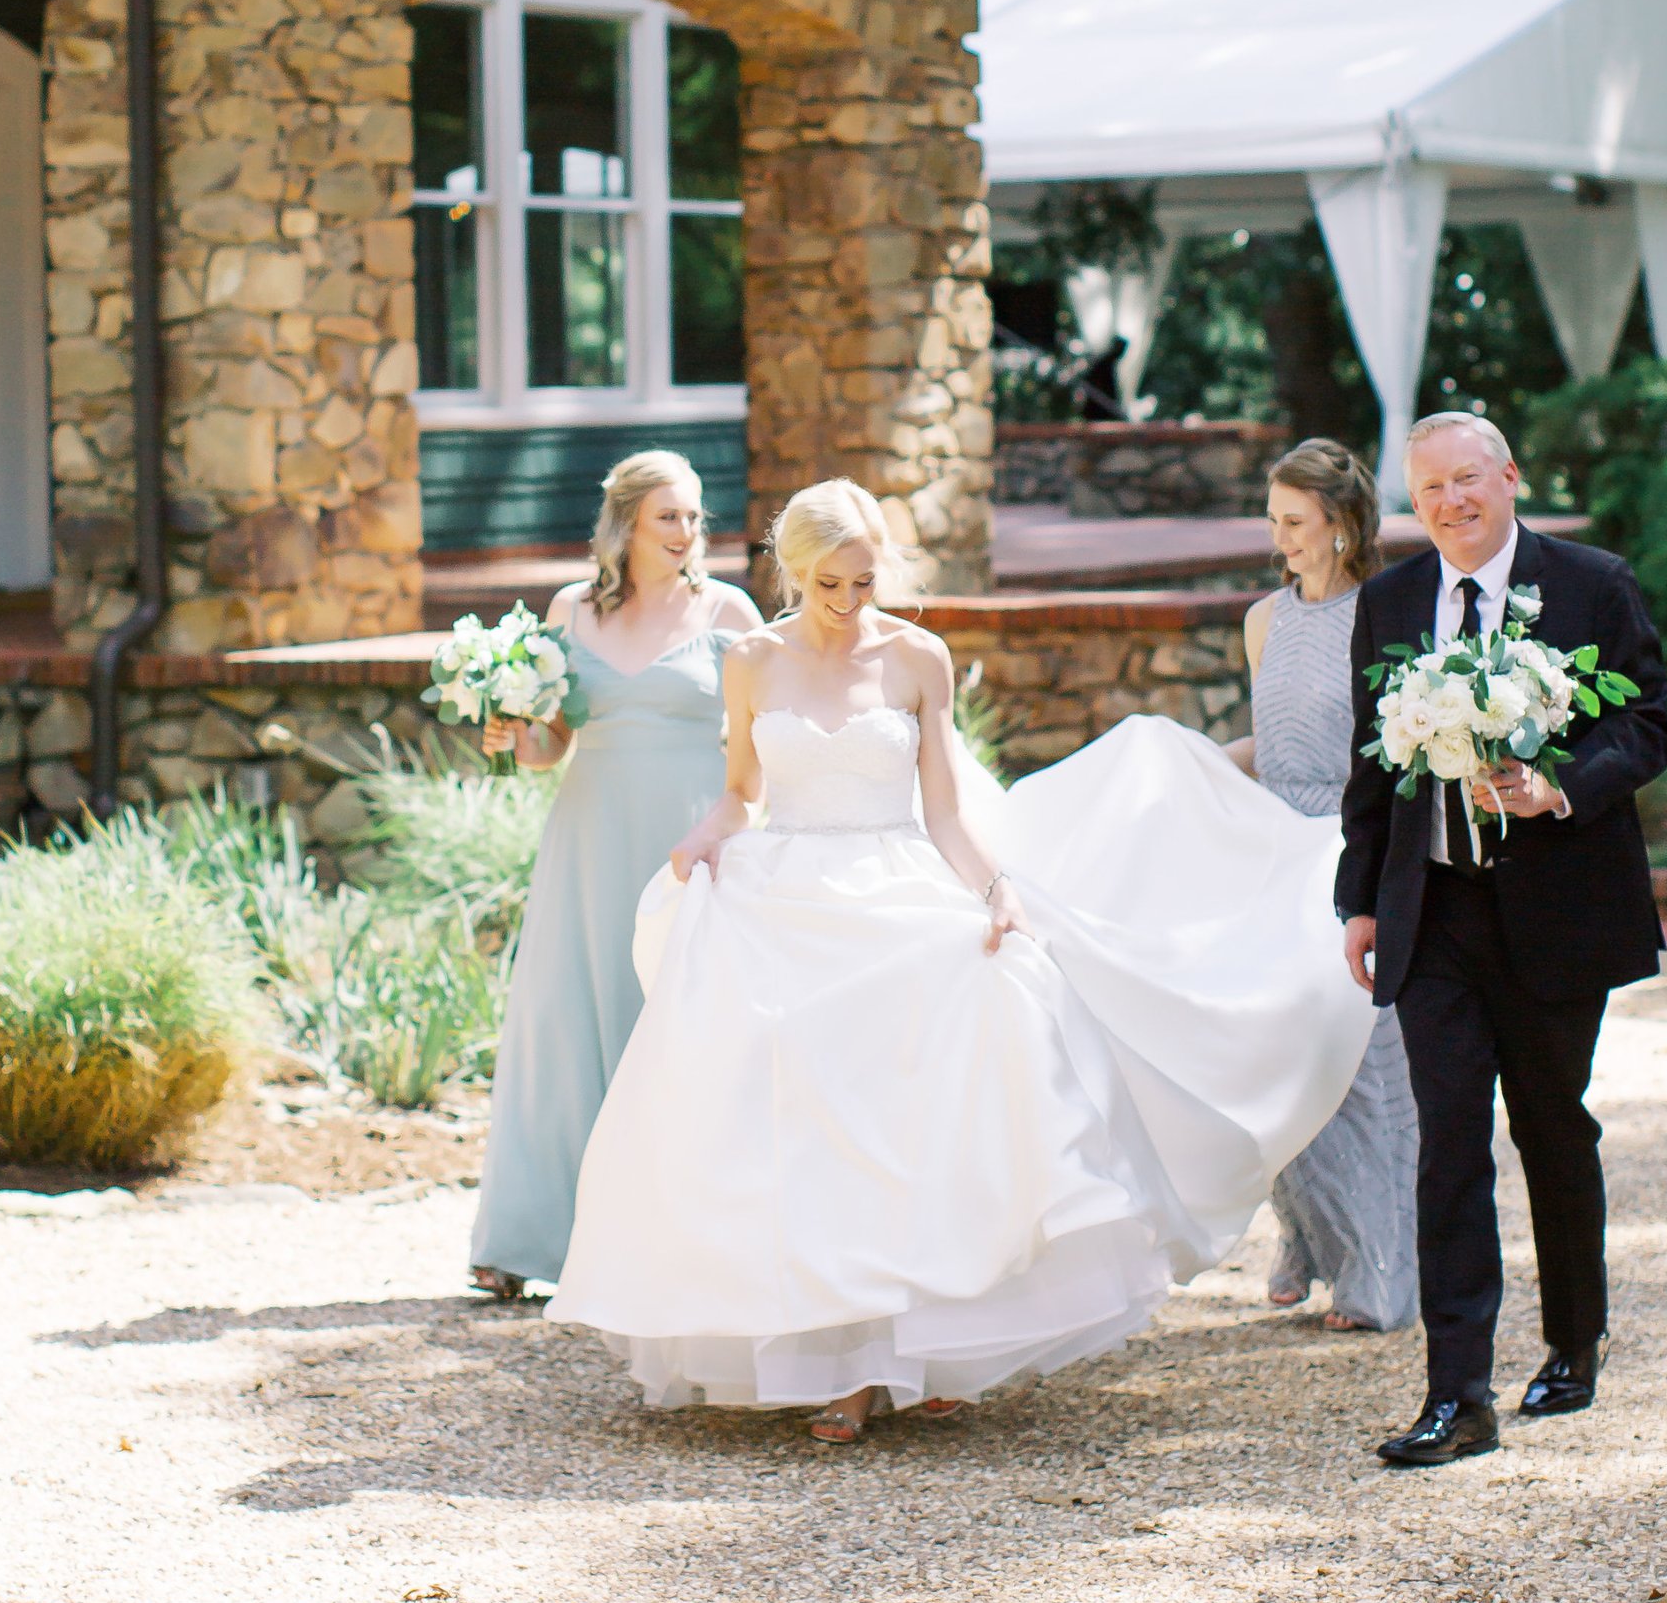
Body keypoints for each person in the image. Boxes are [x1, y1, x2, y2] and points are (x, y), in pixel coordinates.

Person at [551, 477, 1371, 1443]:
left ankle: (930, 1346)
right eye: (830, 584)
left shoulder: (916, 657)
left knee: (928, 1110)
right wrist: (703, 838)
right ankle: (842, 1360)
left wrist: (996, 890)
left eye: (865, 579)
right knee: (804, 1122)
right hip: (787, 899)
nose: (853, 601)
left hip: (896, 882)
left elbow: (942, 808)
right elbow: (742, 795)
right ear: (793, 572)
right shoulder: (753, 660)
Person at [1337, 410, 1667, 1470]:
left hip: (1555, 907)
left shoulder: (1590, 582)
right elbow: (1369, 769)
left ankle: (1575, 1336)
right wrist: (1359, 899)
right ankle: (1457, 1394)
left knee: (1548, 1126)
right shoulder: (1391, 602)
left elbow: (1648, 724)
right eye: (1429, 487)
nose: (1451, 502)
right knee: (1447, 1139)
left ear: (1509, 475)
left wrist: (1559, 786)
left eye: (1467, 479)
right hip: (1433, 911)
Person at [468, 450, 762, 1303]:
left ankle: (685, 1241)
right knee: (566, 1025)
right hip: (589, 838)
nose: (687, 531)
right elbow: (549, 743)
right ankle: (529, 1235)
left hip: (690, 842)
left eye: (695, 516)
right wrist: (510, 736)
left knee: (677, 1023)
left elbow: (771, 728)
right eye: (670, 515)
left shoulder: (728, 611)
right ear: (627, 521)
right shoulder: (568, 612)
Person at [1224, 439, 1418, 1334]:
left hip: (1350, 848)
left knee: (1364, 1066)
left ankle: (1376, 1261)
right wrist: (1174, 760)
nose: (1280, 540)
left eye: (1295, 523)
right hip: (1270, 850)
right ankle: (1305, 1228)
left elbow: (1385, 755)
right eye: (1273, 522)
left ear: (1341, 526)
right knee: (1267, 1052)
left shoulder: (1385, 619)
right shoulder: (1264, 620)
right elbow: (1274, 743)